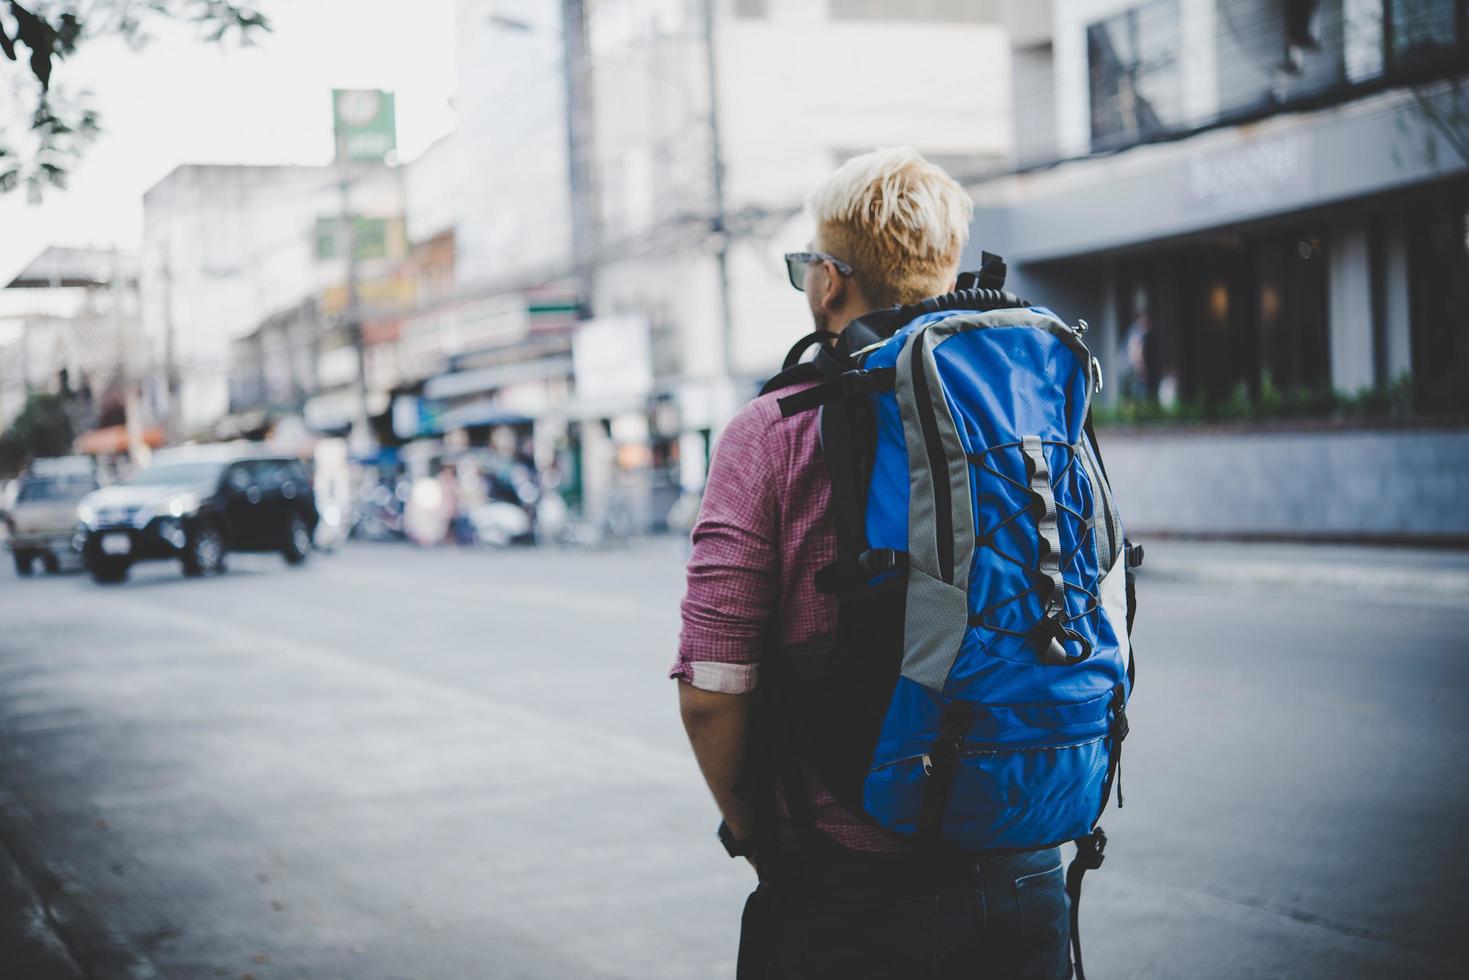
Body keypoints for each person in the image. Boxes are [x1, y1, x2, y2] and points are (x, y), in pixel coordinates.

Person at [673, 148, 1073, 979]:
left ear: (828, 279)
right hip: (1028, 859)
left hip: (851, 882)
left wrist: (752, 833)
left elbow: (711, 687)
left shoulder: (772, 431)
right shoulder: (1031, 399)